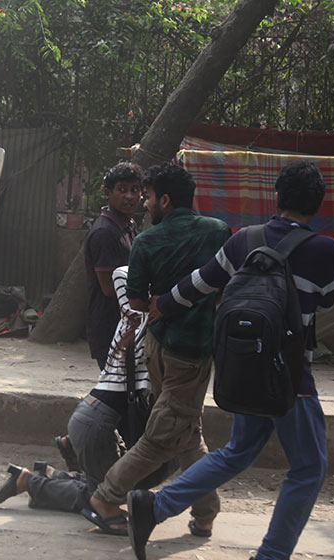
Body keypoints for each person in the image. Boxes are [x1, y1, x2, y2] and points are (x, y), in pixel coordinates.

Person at [127, 161, 334, 560]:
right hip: (291, 377)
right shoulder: (324, 249)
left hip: (244, 367)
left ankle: (153, 506)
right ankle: (272, 554)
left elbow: (199, 283)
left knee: (238, 452)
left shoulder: (245, 240)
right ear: (317, 205)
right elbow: (327, 298)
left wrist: (161, 306)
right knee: (309, 468)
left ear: (278, 197)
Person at [82, 162, 231, 536]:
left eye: (146, 196)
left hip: (157, 348)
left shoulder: (147, 241)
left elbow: (135, 301)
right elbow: (226, 286)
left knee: (183, 430)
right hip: (193, 352)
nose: (143, 203)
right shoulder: (218, 232)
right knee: (165, 434)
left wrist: (163, 303)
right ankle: (105, 497)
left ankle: (206, 510)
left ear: (164, 200)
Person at [0, 266, 174, 526]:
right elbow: (121, 274)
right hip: (94, 426)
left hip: (91, 420)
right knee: (100, 497)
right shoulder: (144, 330)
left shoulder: (133, 327)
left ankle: (49, 474)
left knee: (125, 480)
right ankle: (29, 482)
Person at [56, 162, 143, 471]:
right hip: (110, 328)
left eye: (135, 190)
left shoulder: (128, 225)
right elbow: (109, 289)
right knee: (116, 395)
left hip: (123, 327)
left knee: (121, 393)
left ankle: (77, 444)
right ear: (107, 194)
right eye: (122, 190)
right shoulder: (106, 232)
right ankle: (80, 446)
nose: (130, 196)